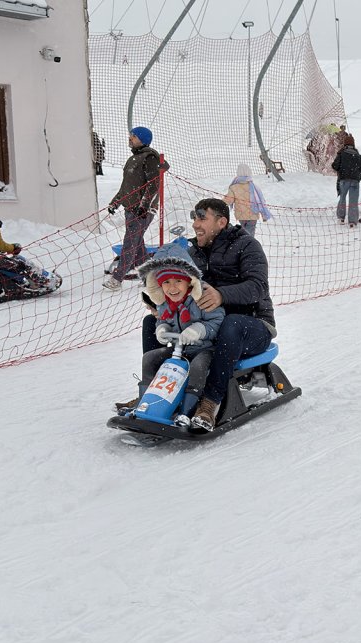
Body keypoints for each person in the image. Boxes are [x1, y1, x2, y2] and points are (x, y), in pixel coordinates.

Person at [175, 198, 277, 432]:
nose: (195, 224)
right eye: (194, 218)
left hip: (253, 326)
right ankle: (153, 392)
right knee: (152, 322)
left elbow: (258, 286)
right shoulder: (193, 251)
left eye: (202, 218)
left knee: (232, 324)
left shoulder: (247, 245)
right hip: (211, 325)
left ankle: (210, 404)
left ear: (221, 222)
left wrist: (222, 295)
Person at [131, 242, 226, 426]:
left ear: (189, 280)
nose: (172, 288)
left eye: (177, 281)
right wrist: (162, 328)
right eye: (166, 282)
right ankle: (146, 403)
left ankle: (189, 409)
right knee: (150, 358)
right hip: (179, 351)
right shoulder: (165, 302)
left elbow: (217, 320)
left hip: (205, 349)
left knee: (197, 366)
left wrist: (199, 329)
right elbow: (163, 320)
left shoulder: (202, 296)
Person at [104, 126, 163, 290]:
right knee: (137, 244)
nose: (130, 138)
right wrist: (115, 201)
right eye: (130, 136)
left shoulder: (150, 158)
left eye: (134, 136)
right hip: (131, 208)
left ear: (143, 139)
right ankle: (149, 277)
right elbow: (127, 187)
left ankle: (117, 279)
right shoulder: (133, 159)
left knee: (130, 243)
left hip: (142, 210)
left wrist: (144, 206)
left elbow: (153, 184)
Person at [0, 195, 53, 289]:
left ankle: (19, 281)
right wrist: (13, 247)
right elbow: (0, 246)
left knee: (11, 264)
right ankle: (43, 281)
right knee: (20, 264)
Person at [223, 163, 272, 237]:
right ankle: (248, 244)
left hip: (241, 215)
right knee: (250, 234)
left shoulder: (234, 187)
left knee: (244, 232)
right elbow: (260, 202)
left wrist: (219, 204)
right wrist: (264, 215)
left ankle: (245, 243)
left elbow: (229, 200)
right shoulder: (254, 187)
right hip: (253, 215)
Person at [330, 134, 361, 227]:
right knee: (353, 201)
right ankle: (352, 221)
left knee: (342, 198)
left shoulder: (341, 153)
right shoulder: (357, 155)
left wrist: (342, 168)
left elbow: (334, 166)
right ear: (353, 144)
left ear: (345, 143)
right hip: (355, 180)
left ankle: (341, 218)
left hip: (343, 180)